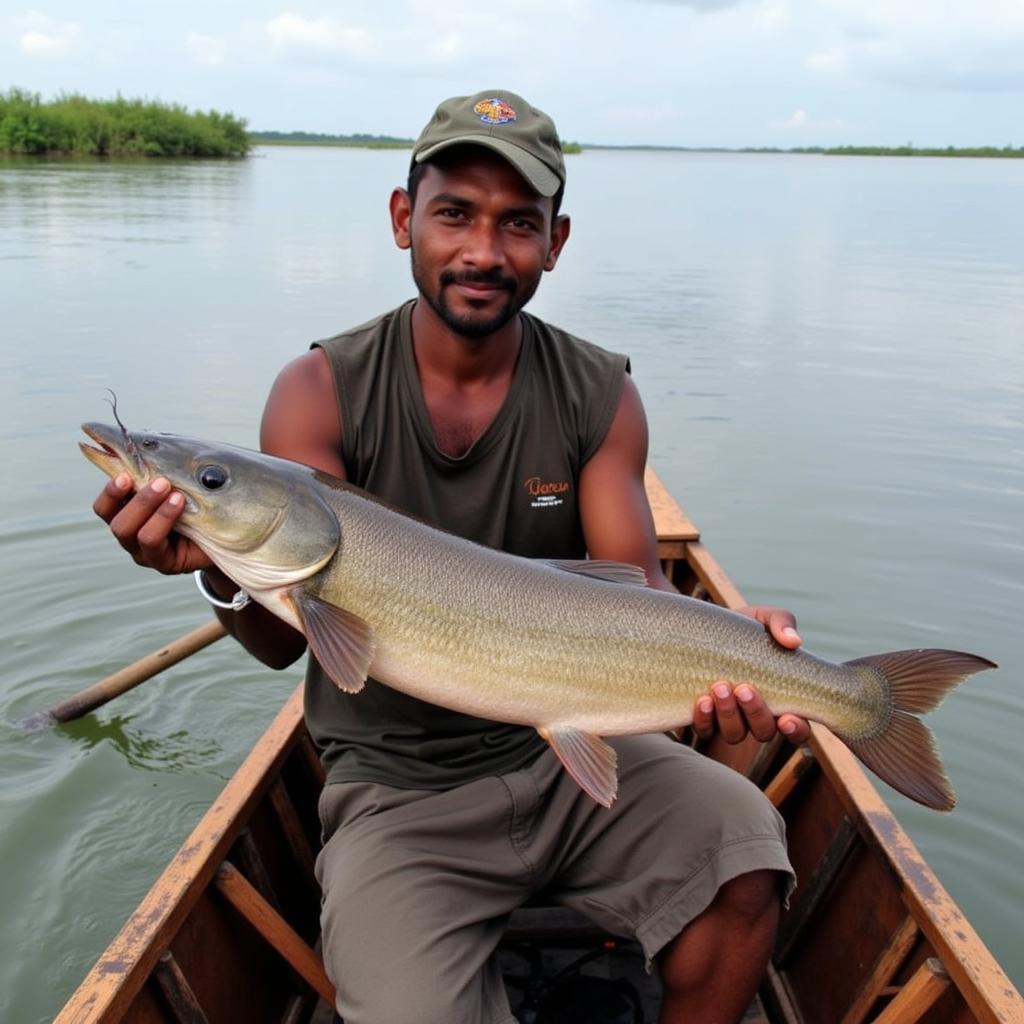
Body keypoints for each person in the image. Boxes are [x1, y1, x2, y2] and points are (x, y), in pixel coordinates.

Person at [93, 89, 811, 1024]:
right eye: (454, 215)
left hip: (579, 758)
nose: (483, 251)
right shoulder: (319, 391)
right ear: (404, 220)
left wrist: (723, 647)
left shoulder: (602, 392)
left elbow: (635, 590)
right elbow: (287, 645)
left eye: (518, 224)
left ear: (555, 242)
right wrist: (213, 569)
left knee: (747, 850)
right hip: (400, 792)